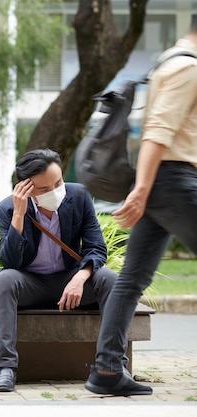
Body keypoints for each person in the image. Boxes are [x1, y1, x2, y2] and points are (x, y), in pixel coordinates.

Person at [85, 23, 197, 397]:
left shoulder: (168, 61)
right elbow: (157, 133)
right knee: (132, 278)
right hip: (172, 181)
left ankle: (106, 369)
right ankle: (106, 367)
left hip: (162, 183)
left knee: (132, 279)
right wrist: (142, 190)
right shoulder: (187, 68)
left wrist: (145, 190)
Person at [0, 149, 120, 392]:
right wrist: (19, 215)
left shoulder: (79, 196)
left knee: (110, 278)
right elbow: (10, 262)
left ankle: (113, 366)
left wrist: (80, 278)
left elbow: (96, 248)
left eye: (58, 183)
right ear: (26, 188)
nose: (54, 191)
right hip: (31, 283)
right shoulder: (7, 209)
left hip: (70, 282)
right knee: (5, 279)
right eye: (43, 189)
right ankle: (6, 368)